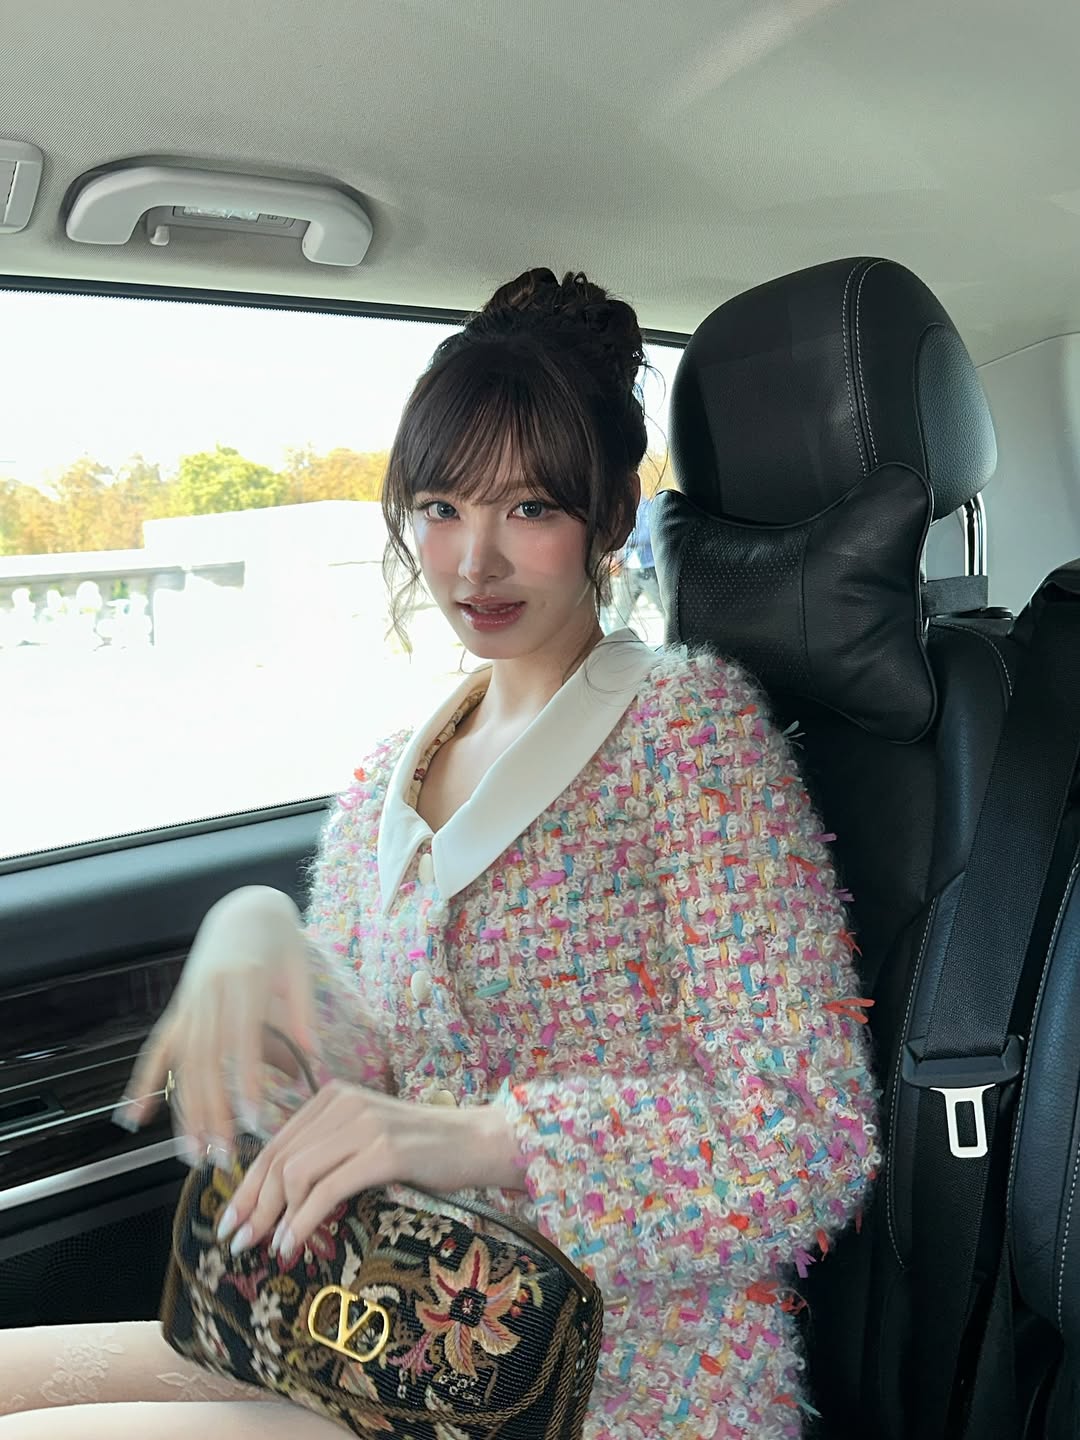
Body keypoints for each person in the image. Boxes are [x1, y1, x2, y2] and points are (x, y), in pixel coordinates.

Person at [0, 268, 879, 1440]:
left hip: (625, 1375)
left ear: (612, 514)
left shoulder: (688, 735)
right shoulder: (386, 779)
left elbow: (807, 1139)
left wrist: (488, 1140)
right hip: (381, 1322)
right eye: (442, 508)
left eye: (530, 510)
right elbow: (353, 1090)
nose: (474, 565)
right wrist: (257, 937)